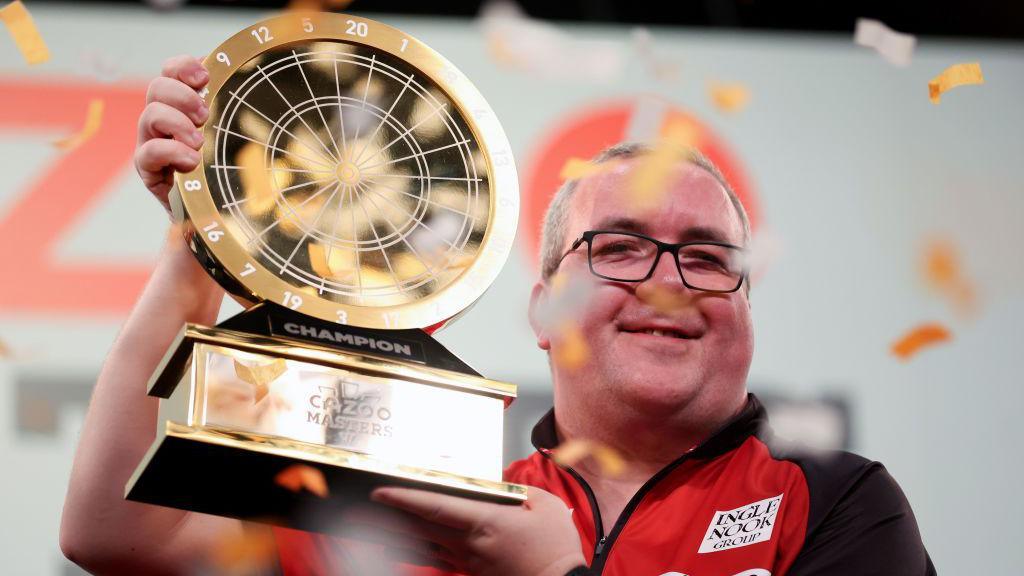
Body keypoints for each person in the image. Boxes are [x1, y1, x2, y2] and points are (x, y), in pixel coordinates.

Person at [60, 56, 935, 576]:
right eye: (620, 249)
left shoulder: (832, 503)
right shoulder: (450, 507)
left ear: (747, 309)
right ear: (543, 306)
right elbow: (115, 531)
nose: (668, 283)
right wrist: (197, 245)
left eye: (707, 258)